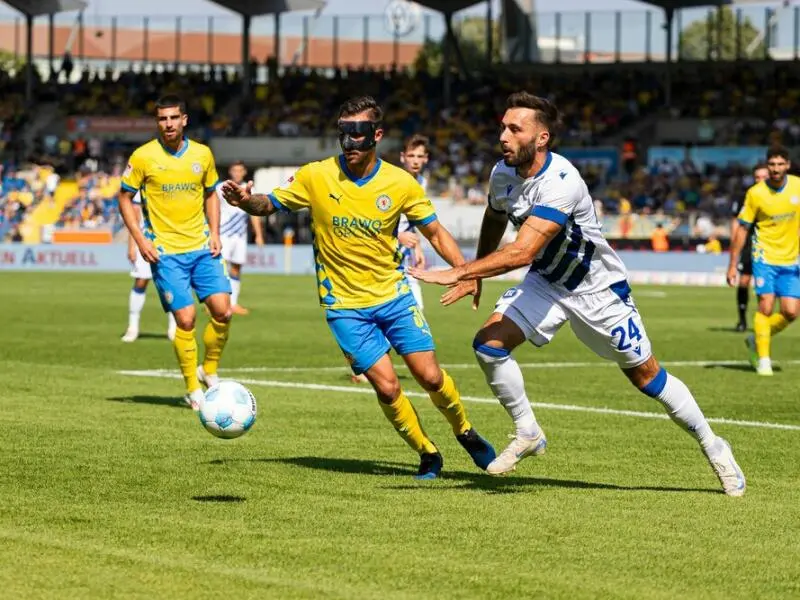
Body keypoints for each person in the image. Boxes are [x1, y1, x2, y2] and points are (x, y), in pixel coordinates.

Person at [410, 91, 746, 497]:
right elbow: (495, 216)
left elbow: (523, 251)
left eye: (515, 128)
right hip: (546, 283)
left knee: (647, 377)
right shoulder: (502, 173)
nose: (503, 135)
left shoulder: (562, 181)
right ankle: (527, 431)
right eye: (502, 126)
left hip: (597, 289)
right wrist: (475, 273)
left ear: (542, 138)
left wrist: (459, 269)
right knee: (488, 346)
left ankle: (714, 445)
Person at [221, 96, 495, 480]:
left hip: (394, 297)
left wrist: (466, 272)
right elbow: (269, 204)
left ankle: (464, 431)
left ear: (377, 135)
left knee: (431, 377)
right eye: (343, 134)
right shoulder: (316, 175)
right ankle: (427, 452)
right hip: (345, 307)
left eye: (359, 134)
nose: (350, 143)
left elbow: (434, 231)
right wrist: (245, 200)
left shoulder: (400, 183)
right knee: (386, 388)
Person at [118, 94, 233, 410]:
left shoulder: (202, 154)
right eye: (162, 119)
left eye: (173, 118)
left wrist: (216, 234)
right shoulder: (143, 157)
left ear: (184, 120)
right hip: (166, 254)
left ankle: (208, 370)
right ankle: (193, 389)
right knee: (186, 319)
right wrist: (141, 240)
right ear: (158, 122)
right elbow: (124, 198)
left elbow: (212, 194)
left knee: (223, 310)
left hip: (201, 248)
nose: (167, 124)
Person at [727, 147, 800, 376]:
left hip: (790, 258)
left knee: (791, 312)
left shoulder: (798, 187)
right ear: (767, 167)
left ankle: (755, 338)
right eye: (772, 164)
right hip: (764, 256)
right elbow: (741, 230)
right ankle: (764, 359)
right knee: (766, 306)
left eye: (780, 164)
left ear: (787, 165)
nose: (776, 169)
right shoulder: (756, 193)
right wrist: (732, 264)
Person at [121, 190, 177, 343]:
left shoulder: (173, 188)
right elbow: (135, 217)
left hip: (169, 243)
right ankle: (132, 327)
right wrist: (132, 245)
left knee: (171, 285)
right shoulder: (143, 189)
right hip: (146, 242)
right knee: (141, 281)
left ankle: (174, 328)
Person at [218, 161, 265, 316]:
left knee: (237, 268)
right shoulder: (221, 188)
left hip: (240, 235)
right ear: (230, 171)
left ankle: (233, 303)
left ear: (244, 172)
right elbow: (212, 209)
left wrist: (258, 234)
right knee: (221, 268)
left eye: (240, 170)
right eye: (234, 170)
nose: (237, 173)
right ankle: (219, 302)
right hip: (223, 234)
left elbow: (254, 213)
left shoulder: (250, 189)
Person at [729, 164, 769, 332]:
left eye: (763, 177)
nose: (760, 180)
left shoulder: (776, 196)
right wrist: (734, 241)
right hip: (749, 244)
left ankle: (763, 323)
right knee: (744, 281)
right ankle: (742, 320)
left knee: (765, 289)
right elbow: (736, 221)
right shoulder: (746, 197)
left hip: (769, 246)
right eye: (757, 177)